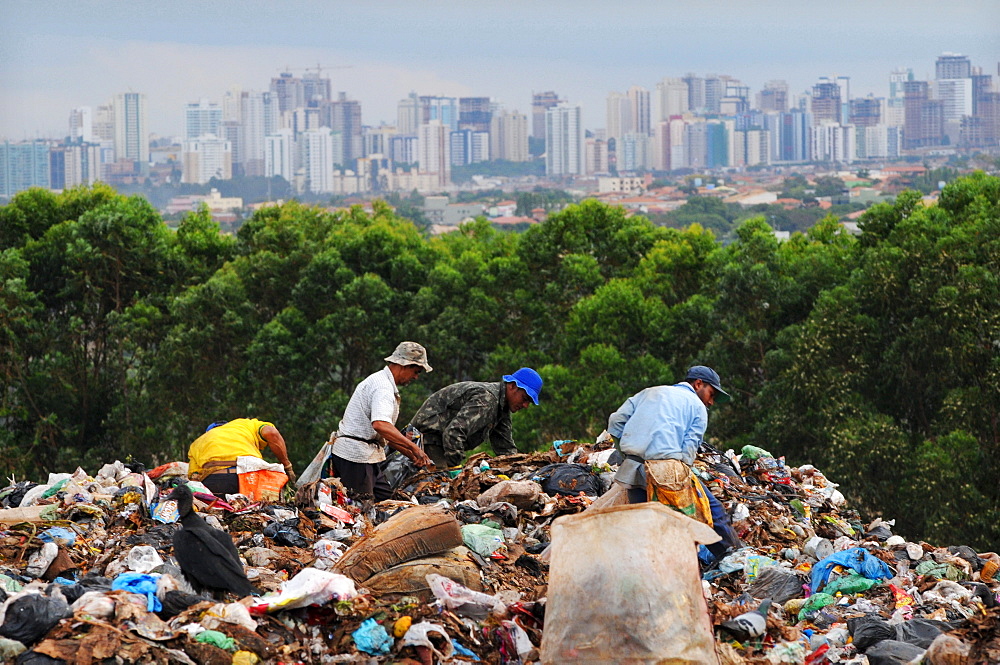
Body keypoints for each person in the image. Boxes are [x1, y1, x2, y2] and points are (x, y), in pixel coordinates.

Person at [606, 365, 741, 557]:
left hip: (633, 471)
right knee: (712, 512)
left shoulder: (648, 393)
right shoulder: (697, 406)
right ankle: (734, 559)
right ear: (698, 384)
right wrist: (684, 481)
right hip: (667, 472)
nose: (711, 402)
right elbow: (688, 451)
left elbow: (615, 422)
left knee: (644, 527)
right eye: (711, 394)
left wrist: (626, 453)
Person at [328, 341, 434, 500]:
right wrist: (414, 447)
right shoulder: (382, 387)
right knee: (363, 509)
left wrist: (412, 455)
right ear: (404, 365)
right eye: (416, 371)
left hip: (368, 456)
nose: (416, 377)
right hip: (355, 457)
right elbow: (380, 425)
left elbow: (386, 436)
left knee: (386, 501)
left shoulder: (383, 383)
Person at [407, 367, 542, 469]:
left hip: (440, 445)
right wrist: (456, 468)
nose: (525, 405)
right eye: (525, 399)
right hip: (426, 441)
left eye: (529, 402)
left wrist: (520, 470)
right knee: (439, 488)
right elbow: (454, 432)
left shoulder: (502, 408)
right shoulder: (488, 399)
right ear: (512, 386)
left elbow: (505, 449)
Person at [187, 418, 294, 496]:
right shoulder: (245, 425)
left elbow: (195, 478)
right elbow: (270, 432)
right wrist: (287, 466)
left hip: (217, 481)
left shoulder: (198, 443)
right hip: (251, 477)